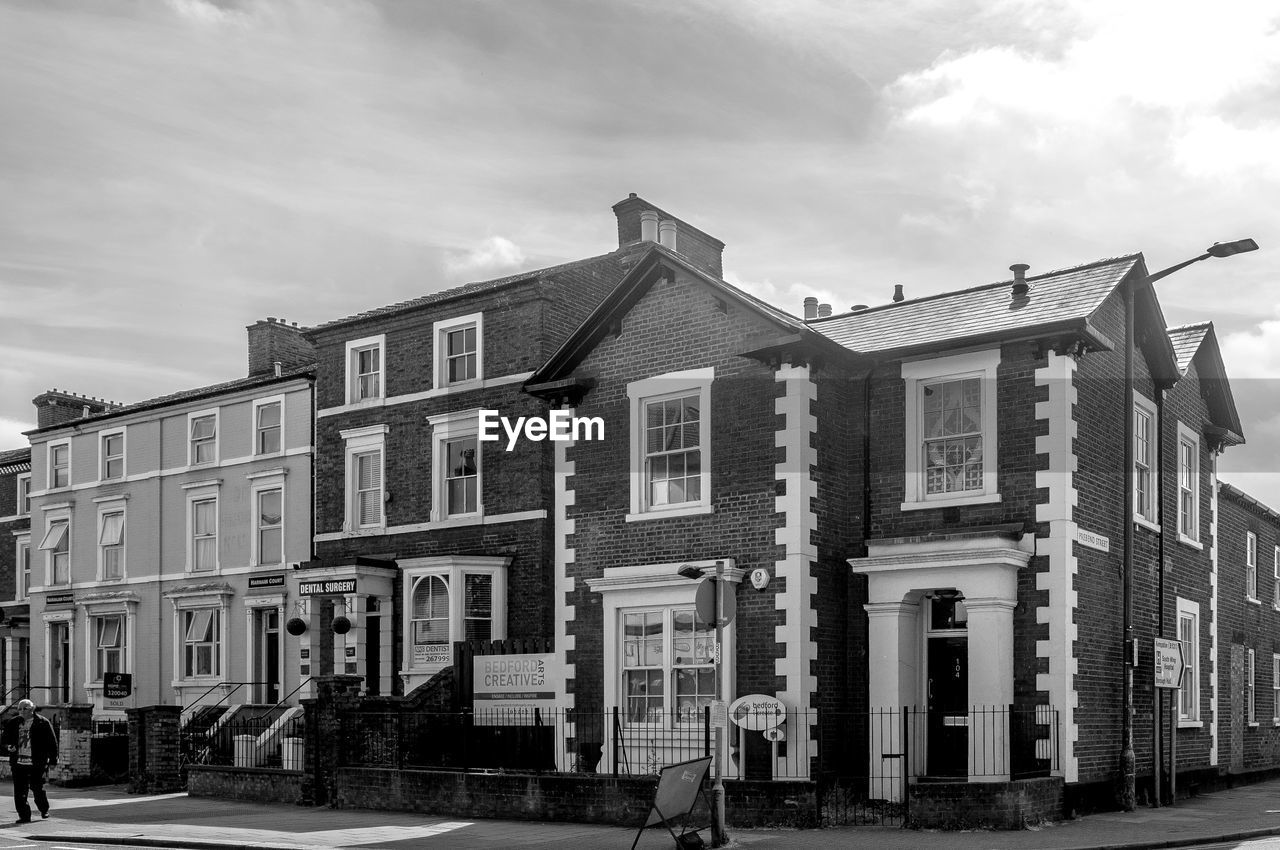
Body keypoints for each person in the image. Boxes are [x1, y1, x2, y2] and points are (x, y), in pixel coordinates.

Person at [2, 699, 59, 824]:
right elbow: (4, 740)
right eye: (20, 709)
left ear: (32, 709)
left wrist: (53, 760)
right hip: (18, 762)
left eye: (25, 708)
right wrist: (8, 747)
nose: (21, 711)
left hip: (36, 762)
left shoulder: (42, 722)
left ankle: (44, 809)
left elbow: (52, 742)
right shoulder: (13, 723)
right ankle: (24, 816)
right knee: (20, 790)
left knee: (37, 787)